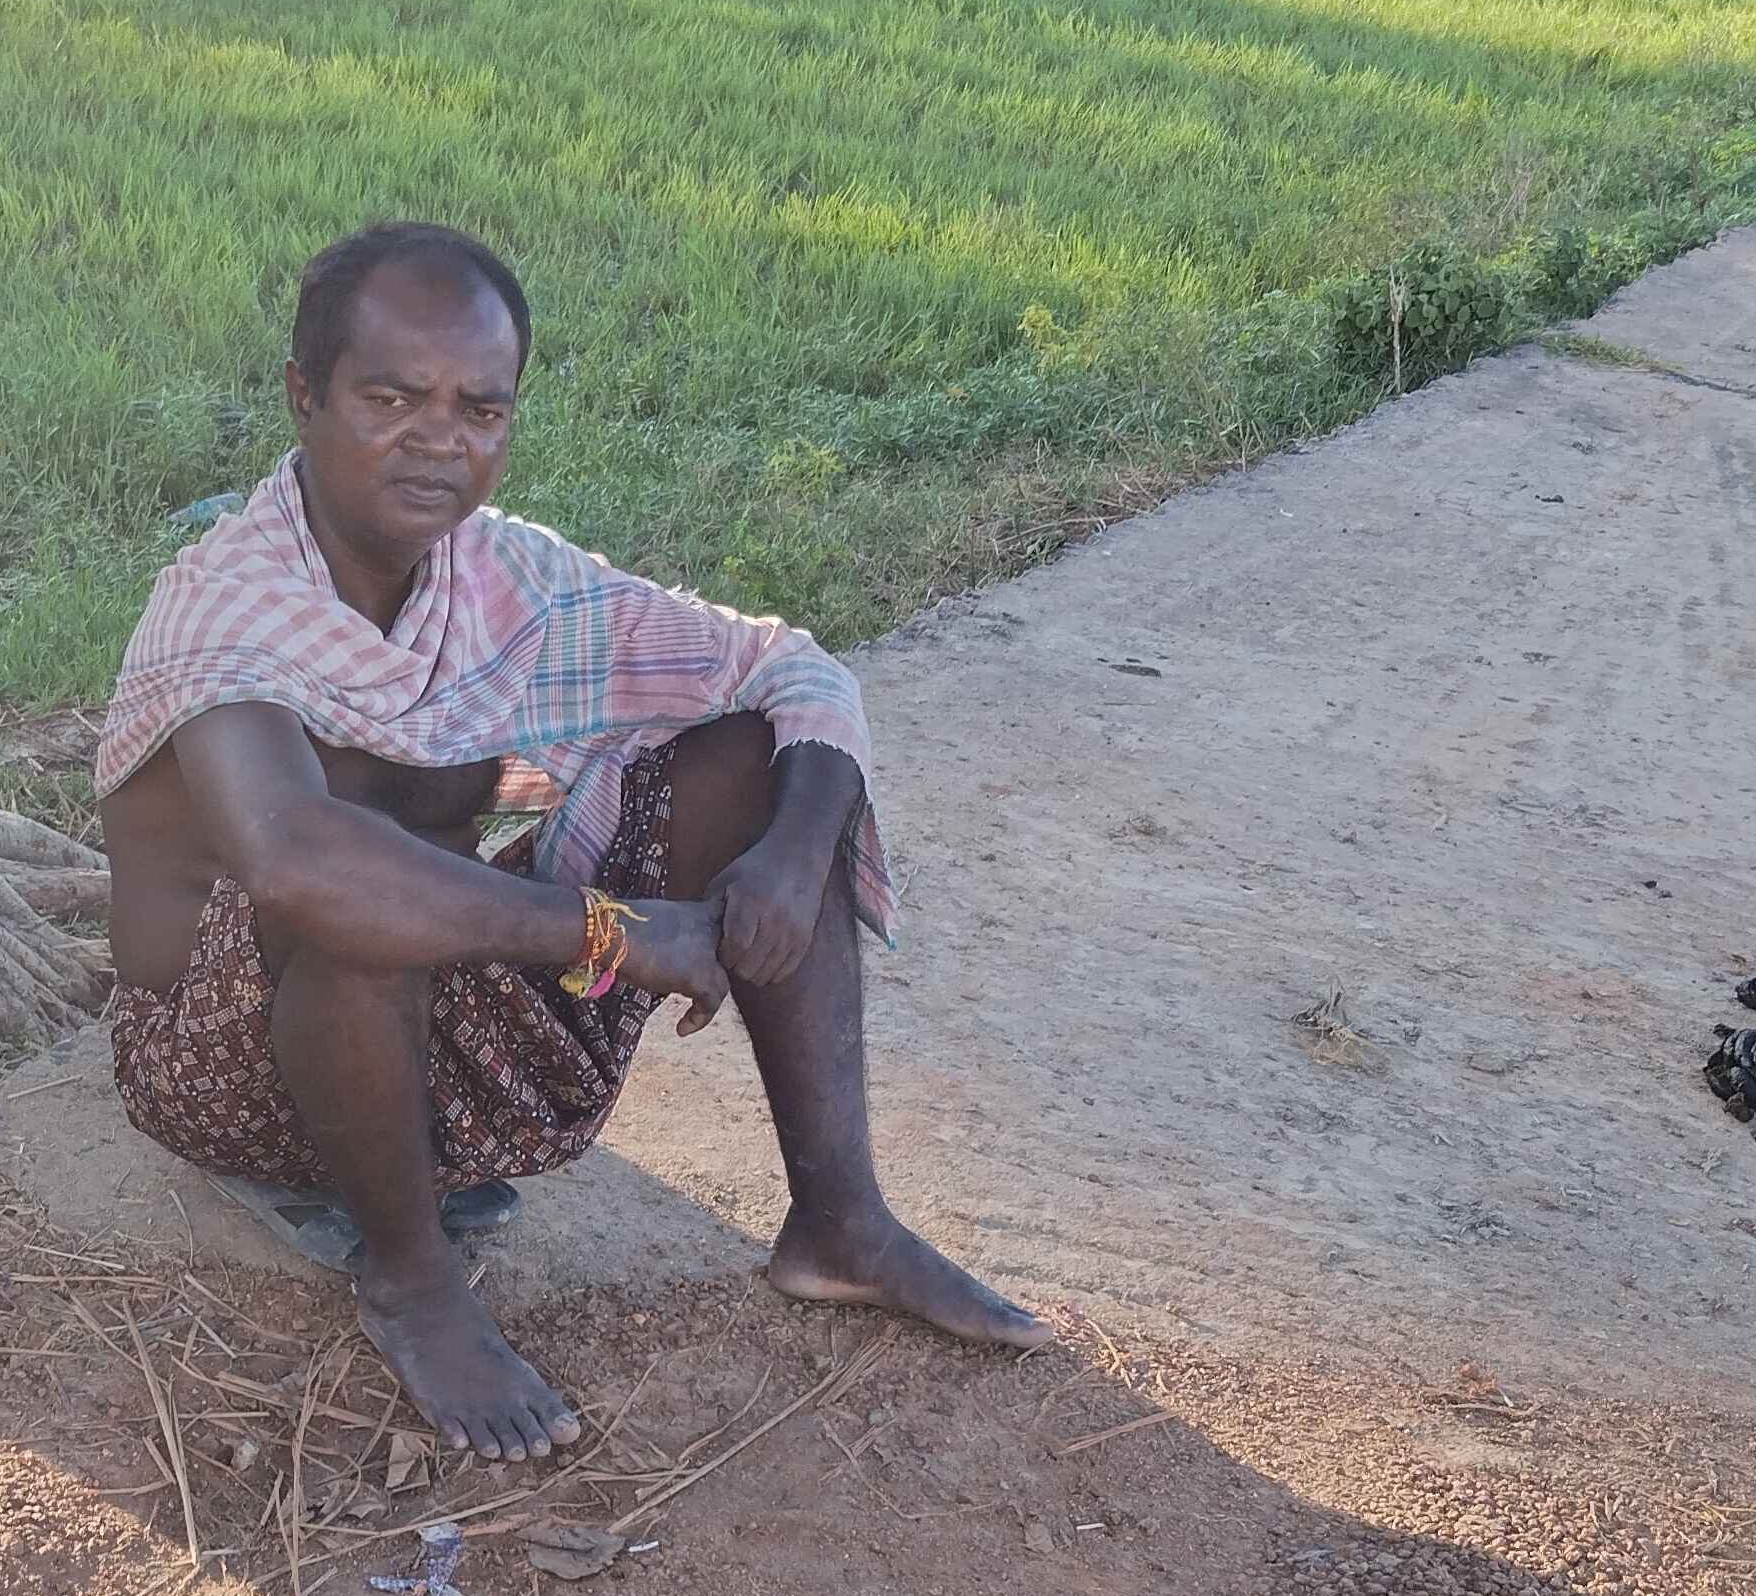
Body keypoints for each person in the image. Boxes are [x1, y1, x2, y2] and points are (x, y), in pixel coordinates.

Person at [96, 221, 1051, 1462]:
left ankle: (839, 1221)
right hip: (230, 1068)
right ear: (304, 397)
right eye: (391, 398)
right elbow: (295, 863)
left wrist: (789, 854)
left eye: (479, 408)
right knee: (357, 888)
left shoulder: (504, 578)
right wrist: (616, 934)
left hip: (437, 1035)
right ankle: (412, 1282)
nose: (439, 439)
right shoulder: (230, 602)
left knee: (747, 760)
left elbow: (790, 669)